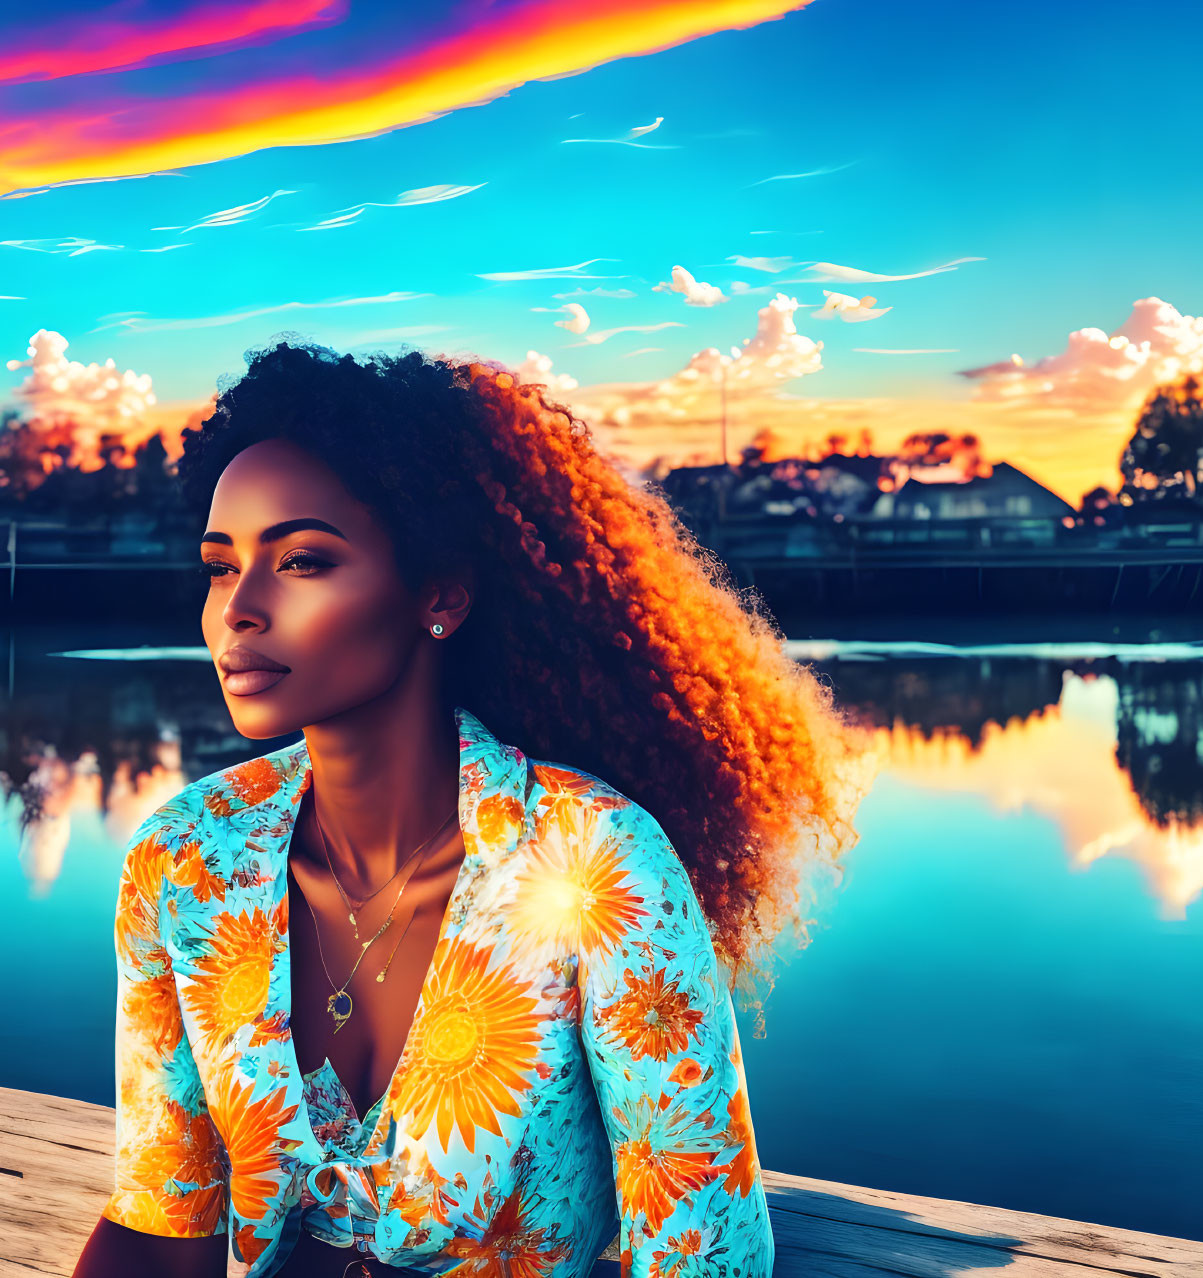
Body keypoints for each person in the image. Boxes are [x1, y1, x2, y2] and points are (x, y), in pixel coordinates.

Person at [72, 340, 864, 1278]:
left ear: (438, 594)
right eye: (218, 566)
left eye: (302, 561)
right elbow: (161, 1220)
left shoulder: (597, 864)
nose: (239, 608)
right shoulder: (183, 858)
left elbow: (700, 1255)